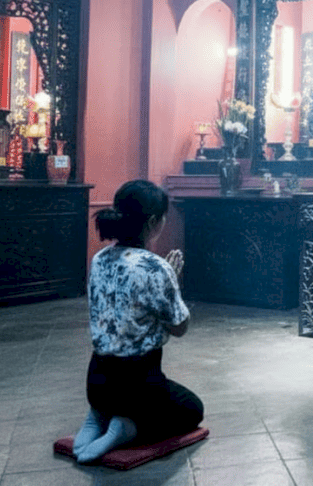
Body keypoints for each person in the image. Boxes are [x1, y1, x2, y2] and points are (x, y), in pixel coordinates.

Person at [72, 180, 203, 463]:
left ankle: (97, 416)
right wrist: (172, 283)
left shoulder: (100, 258)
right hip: (138, 385)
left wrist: (164, 279)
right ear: (154, 221)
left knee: (109, 397)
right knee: (193, 409)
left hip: (97, 380)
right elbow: (179, 327)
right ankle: (126, 427)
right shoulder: (156, 268)